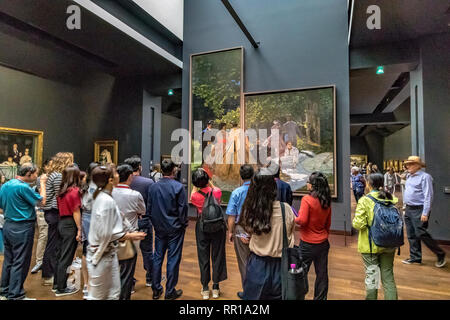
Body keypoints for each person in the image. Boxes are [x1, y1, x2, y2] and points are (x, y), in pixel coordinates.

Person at [86, 165, 146, 300]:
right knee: (98, 295)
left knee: (113, 293)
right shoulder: (106, 200)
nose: (118, 174)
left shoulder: (102, 196)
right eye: (115, 173)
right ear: (110, 180)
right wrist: (131, 235)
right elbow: (107, 234)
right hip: (101, 255)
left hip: (107, 253)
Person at [239, 169, 295, 300]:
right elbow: (290, 231)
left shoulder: (250, 210)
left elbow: (247, 235)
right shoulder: (285, 208)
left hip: (257, 266)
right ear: (273, 188)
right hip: (281, 265)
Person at [0, 163, 46, 300]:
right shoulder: (23, 187)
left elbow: (1, 206)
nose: (37, 176)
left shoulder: (6, 185)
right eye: (36, 173)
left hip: (8, 225)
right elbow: (42, 202)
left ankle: (5, 290)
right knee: (21, 260)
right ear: (29, 173)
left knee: (9, 259)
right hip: (22, 227)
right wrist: (42, 184)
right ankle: (16, 294)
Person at [352, 173, 398, 300]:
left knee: (372, 277)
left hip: (370, 245)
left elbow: (358, 224)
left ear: (369, 184)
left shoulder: (365, 200)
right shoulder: (390, 198)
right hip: (390, 242)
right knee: (388, 277)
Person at [148, 159, 188, 300]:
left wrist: (155, 223)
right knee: (173, 259)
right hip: (175, 228)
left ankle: (156, 289)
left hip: (159, 228)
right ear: (173, 171)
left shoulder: (153, 187)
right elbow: (183, 209)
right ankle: (169, 291)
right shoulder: (178, 187)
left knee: (158, 257)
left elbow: (149, 208)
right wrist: (183, 224)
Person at [401, 156, 446, 267]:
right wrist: (405, 206)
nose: (407, 166)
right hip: (408, 208)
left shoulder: (425, 177)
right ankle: (415, 257)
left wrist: (425, 212)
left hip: (419, 209)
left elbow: (428, 196)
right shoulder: (409, 176)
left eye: (411, 164)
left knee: (421, 233)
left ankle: (440, 254)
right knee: (411, 234)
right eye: (407, 164)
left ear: (418, 166)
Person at [295, 172, 332, 300]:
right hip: (322, 243)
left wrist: (295, 218)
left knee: (301, 273)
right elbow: (328, 224)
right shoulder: (326, 200)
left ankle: (299, 296)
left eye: (308, 182)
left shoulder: (307, 199)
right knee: (322, 275)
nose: (307, 184)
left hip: (307, 244)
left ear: (313, 185)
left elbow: (302, 221)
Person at [190, 168, 226, 299]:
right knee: (218, 255)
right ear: (207, 180)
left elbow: (193, 192)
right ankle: (216, 287)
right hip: (217, 226)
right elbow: (213, 187)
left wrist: (197, 184)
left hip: (202, 226)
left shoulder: (194, 196)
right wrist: (209, 182)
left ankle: (205, 289)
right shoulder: (217, 192)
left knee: (203, 257)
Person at [112, 164, 146, 300]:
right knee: (127, 272)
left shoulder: (109, 193)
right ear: (130, 177)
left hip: (111, 236)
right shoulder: (135, 194)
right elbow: (142, 211)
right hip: (129, 236)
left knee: (113, 271)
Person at [41, 152, 73, 287]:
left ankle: (51, 273)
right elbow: (60, 195)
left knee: (53, 243)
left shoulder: (53, 174)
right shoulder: (58, 176)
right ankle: (49, 274)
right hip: (54, 213)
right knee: (53, 245)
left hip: (51, 212)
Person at [124, 156, 154, 287]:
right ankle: (150, 278)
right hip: (144, 219)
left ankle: (129, 282)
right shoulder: (148, 182)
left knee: (128, 252)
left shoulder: (122, 183)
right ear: (140, 167)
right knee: (147, 250)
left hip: (126, 221)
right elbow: (152, 202)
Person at [225, 164, 254, 299]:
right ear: (253, 175)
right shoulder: (258, 191)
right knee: (258, 260)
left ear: (241, 177)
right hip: (258, 229)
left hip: (241, 228)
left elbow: (231, 215)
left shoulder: (236, 192)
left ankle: (248, 292)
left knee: (244, 261)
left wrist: (230, 232)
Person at [54, 165, 82, 296]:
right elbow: (76, 212)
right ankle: (61, 287)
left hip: (61, 222)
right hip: (70, 224)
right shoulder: (74, 191)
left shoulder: (61, 191)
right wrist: (80, 229)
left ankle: (56, 284)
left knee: (61, 256)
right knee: (67, 257)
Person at [80, 162, 99, 299]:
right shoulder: (97, 187)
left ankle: (87, 285)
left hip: (85, 217)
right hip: (93, 218)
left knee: (86, 251)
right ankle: (91, 284)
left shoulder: (84, 184)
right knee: (94, 250)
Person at [30, 159, 52, 274]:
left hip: (49, 211)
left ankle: (46, 261)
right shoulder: (41, 179)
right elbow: (43, 195)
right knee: (43, 235)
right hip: (42, 210)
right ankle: (39, 262)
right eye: (50, 165)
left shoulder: (53, 177)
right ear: (45, 167)